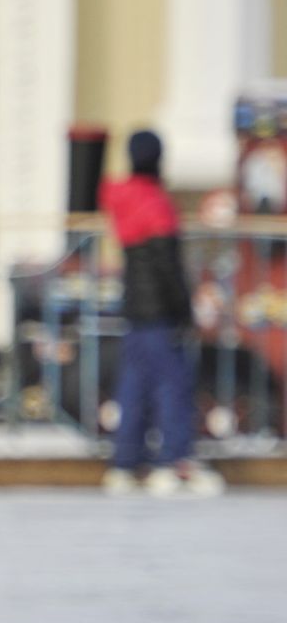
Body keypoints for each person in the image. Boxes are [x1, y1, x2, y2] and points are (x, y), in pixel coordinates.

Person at [98, 131, 222, 496]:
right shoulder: (155, 202)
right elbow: (169, 266)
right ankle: (173, 461)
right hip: (159, 312)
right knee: (173, 385)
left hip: (135, 308)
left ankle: (123, 465)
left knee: (134, 387)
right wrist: (184, 309)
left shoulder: (121, 196)